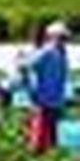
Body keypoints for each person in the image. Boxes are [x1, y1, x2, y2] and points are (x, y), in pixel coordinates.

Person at [26, 21, 70, 154]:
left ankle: (50, 159)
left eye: (65, 38)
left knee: (52, 136)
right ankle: (36, 160)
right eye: (61, 37)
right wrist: (32, 89)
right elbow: (26, 66)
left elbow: (62, 79)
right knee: (39, 136)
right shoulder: (46, 52)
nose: (64, 41)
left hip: (55, 101)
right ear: (52, 37)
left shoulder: (62, 54)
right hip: (43, 100)